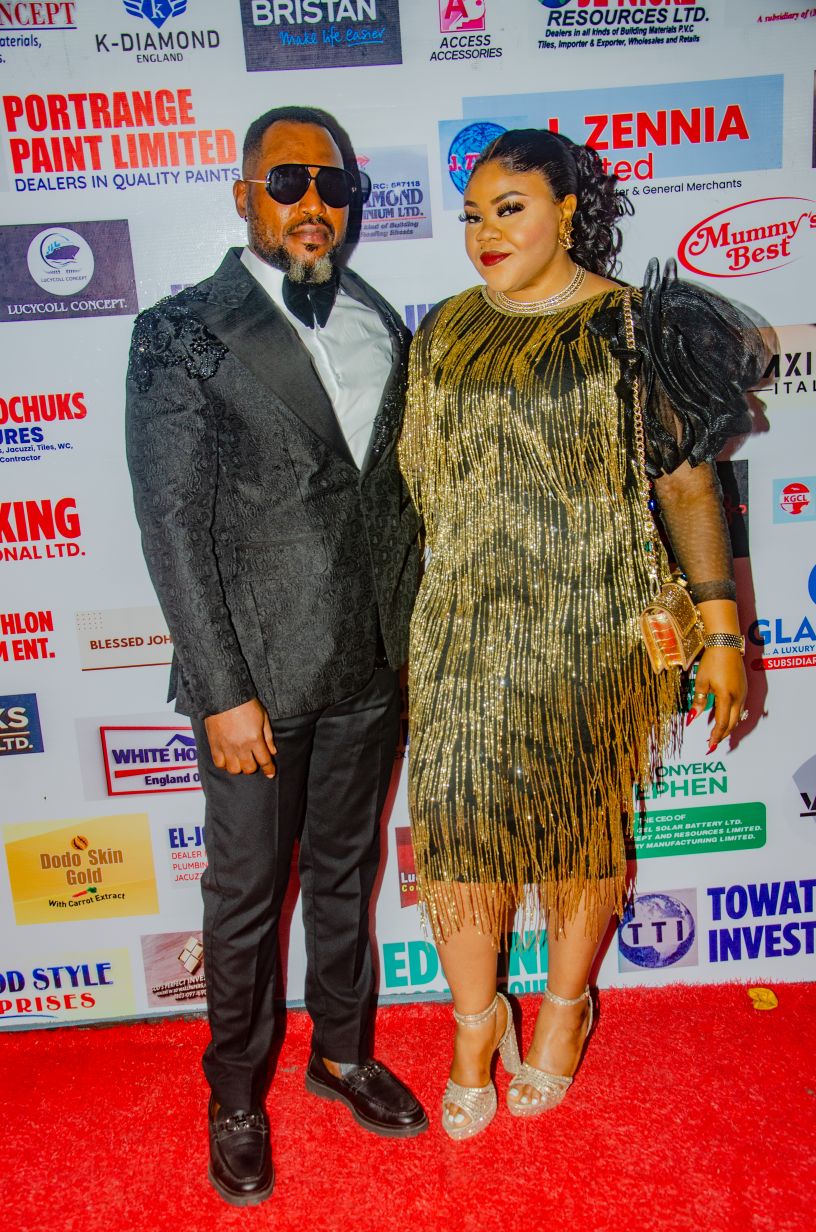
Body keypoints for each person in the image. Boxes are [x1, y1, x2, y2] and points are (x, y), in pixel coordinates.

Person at [398, 129, 766, 1140]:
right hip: (464, 625)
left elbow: (687, 490)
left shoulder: (636, 328)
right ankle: (475, 1022)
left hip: (595, 625)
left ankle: (564, 1008)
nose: (486, 231)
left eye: (509, 208)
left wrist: (722, 633)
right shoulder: (445, 330)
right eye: (473, 214)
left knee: (577, 832)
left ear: (566, 211)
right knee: (459, 833)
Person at [126, 105, 427, 1206]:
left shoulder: (379, 318)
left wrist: (410, 645)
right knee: (249, 892)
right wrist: (221, 691)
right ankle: (235, 1094)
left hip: (369, 666)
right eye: (288, 181)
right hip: (253, 677)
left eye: (333, 186)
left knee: (347, 873)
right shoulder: (182, 330)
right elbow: (173, 525)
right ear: (244, 193)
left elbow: (389, 500)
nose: (313, 205)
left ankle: (341, 1052)